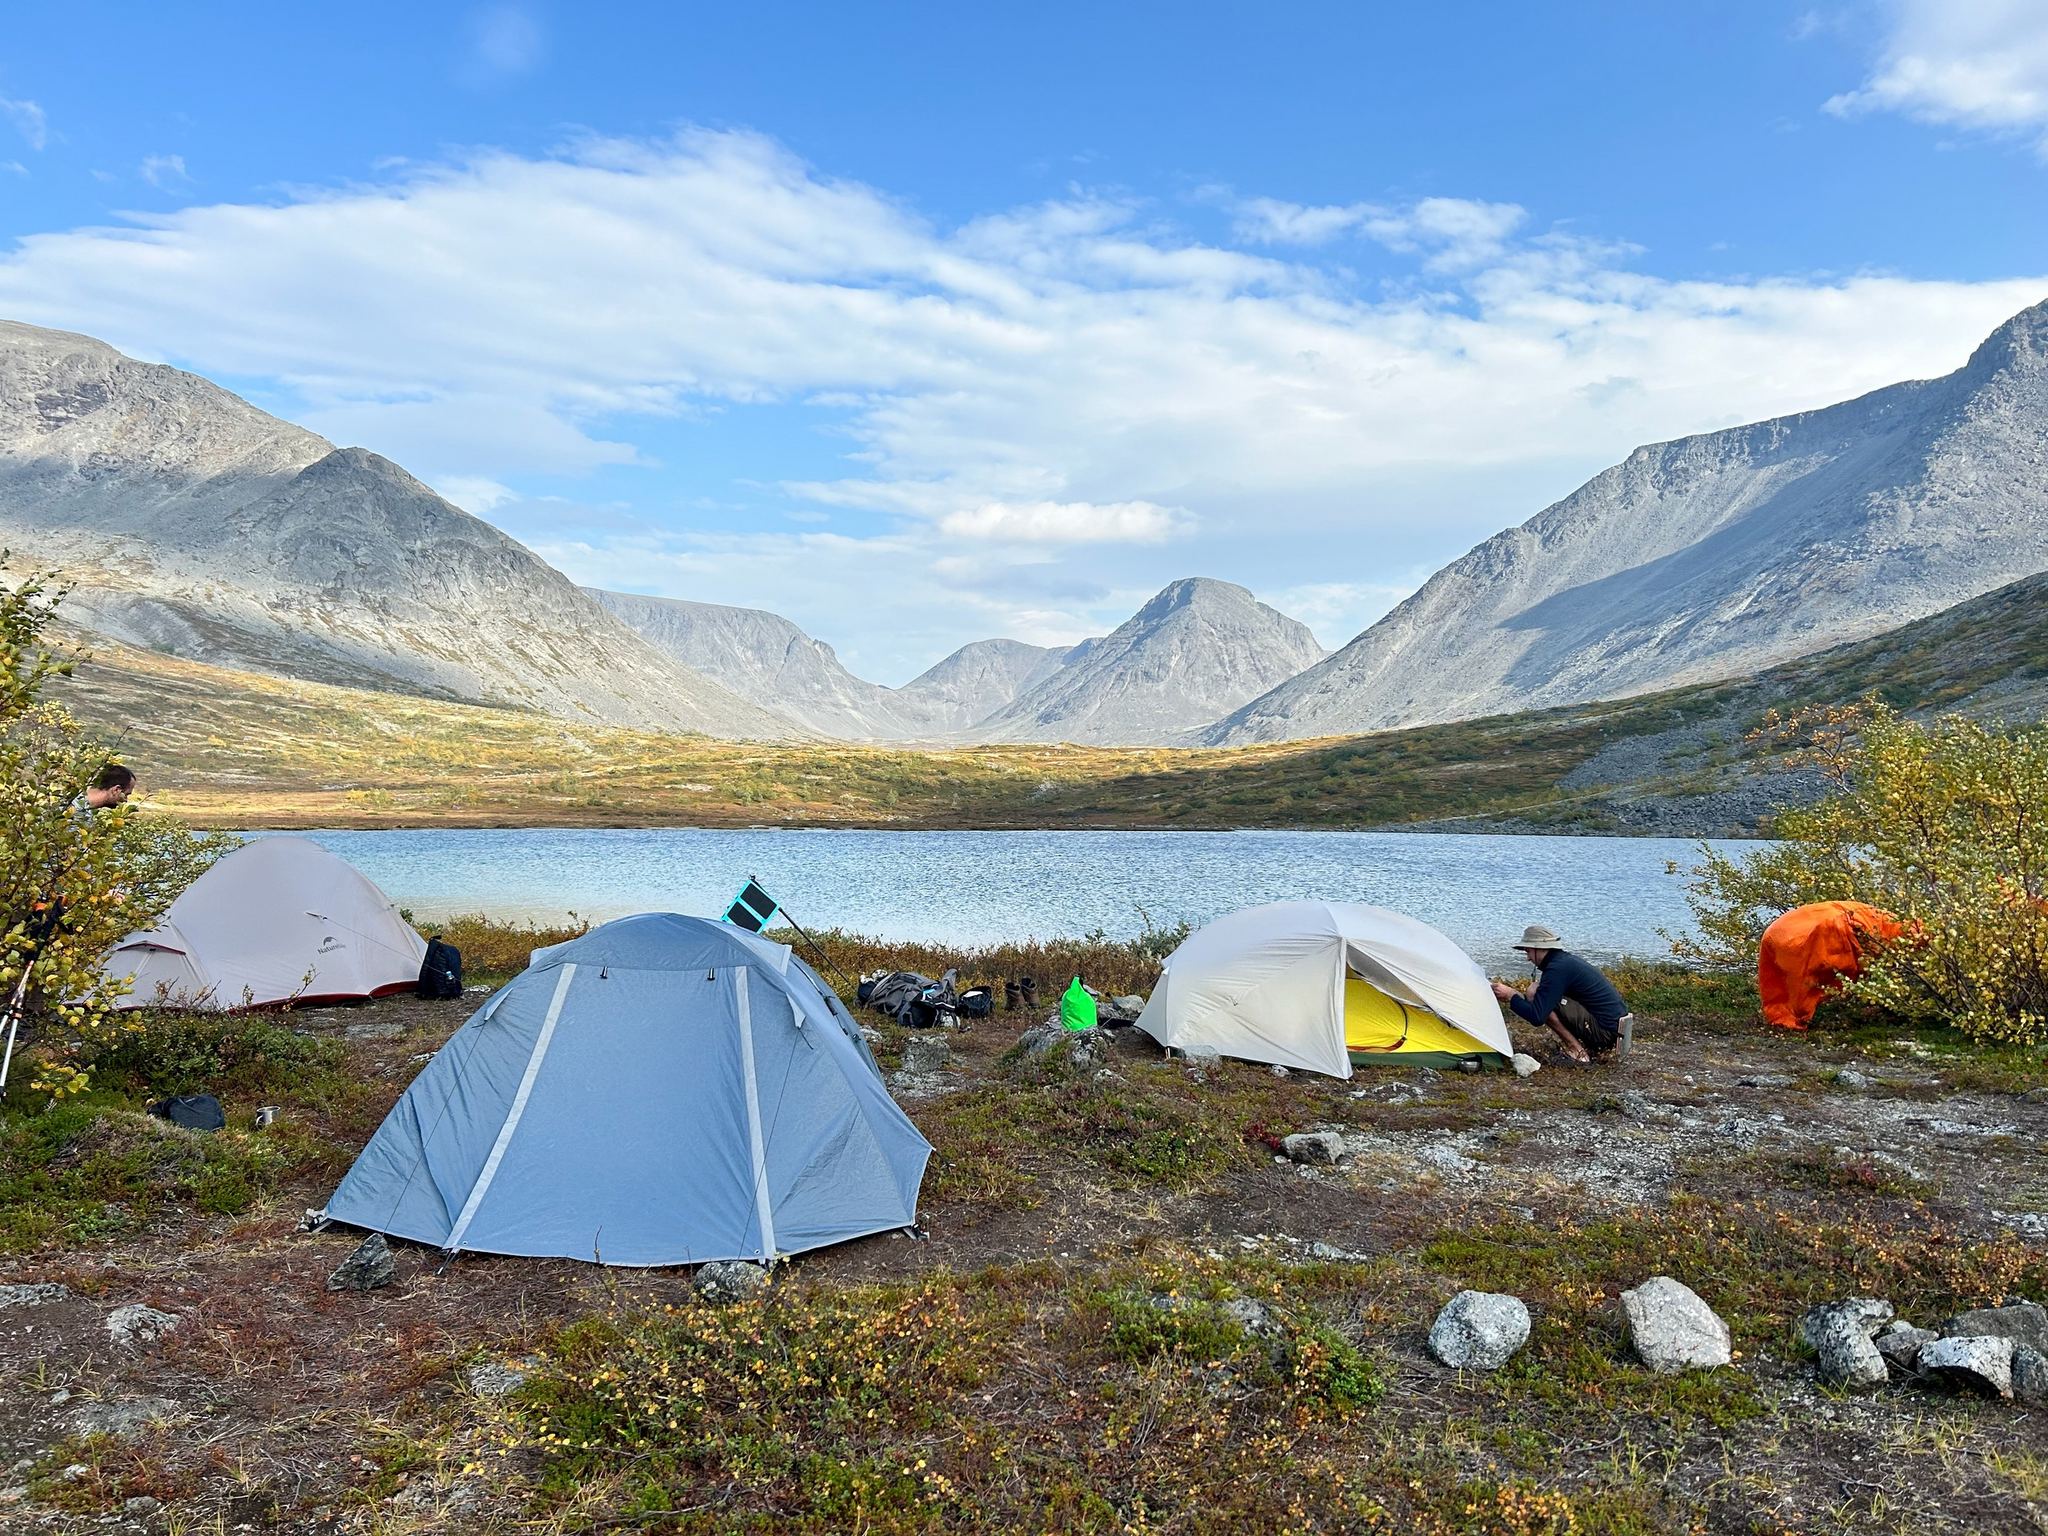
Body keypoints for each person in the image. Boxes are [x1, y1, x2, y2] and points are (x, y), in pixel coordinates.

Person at [1490, 924, 1632, 1065]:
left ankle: (1577, 1052)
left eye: (1528, 951)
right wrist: (1515, 995)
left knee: (1537, 994)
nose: (1528, 958)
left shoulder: (1557, 969)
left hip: (1606, 1033)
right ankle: (1582, 1048)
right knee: (1536, 992)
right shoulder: (1563, 962)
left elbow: (1537, 1017)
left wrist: (1511, 996)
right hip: (1615, 1029)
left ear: (1539, 949)